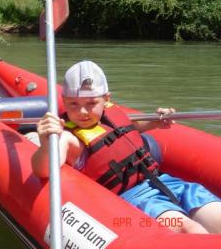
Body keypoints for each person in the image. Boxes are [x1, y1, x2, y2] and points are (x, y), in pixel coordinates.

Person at [31, 60, 221, 234]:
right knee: (191, 229)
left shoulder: (112, 114)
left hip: (163, 181)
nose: (82, 111)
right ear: (63, 101)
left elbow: (133, 128)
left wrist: (157, 121)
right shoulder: (66, 138)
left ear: (106, 99)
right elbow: (42, 169)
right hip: (136, 199)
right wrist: (48, 142)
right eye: (73, 104)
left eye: (91, 103)